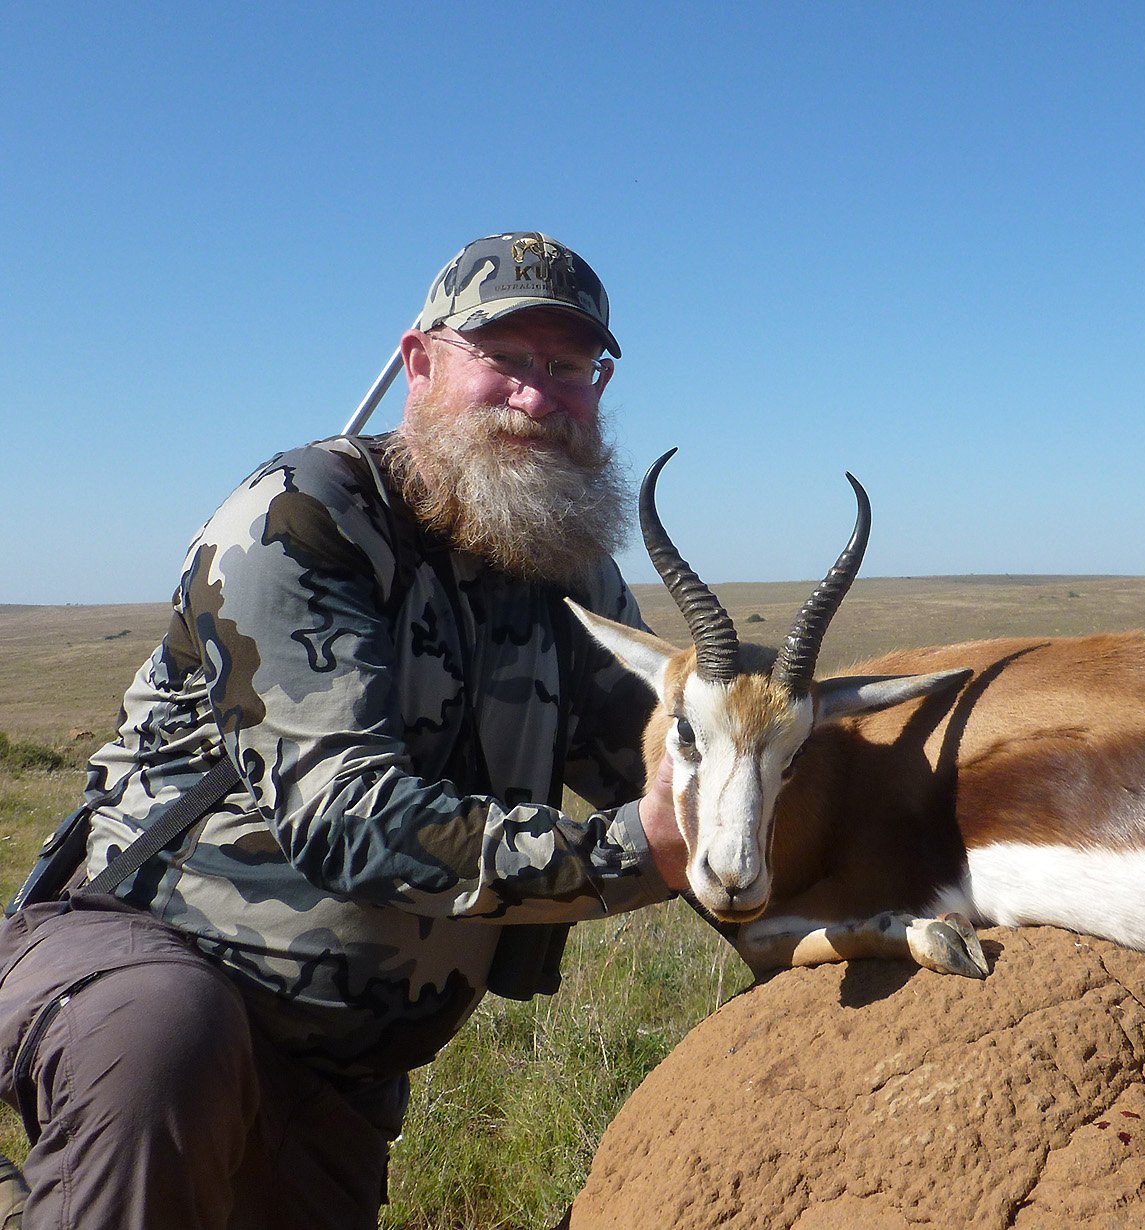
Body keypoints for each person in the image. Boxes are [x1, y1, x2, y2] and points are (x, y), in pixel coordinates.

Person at [0, 233, 689, 1229]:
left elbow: (669, 764)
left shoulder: (563, 572)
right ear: (419, 362)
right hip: (143, 963)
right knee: (169, 1043)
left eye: (568, 368)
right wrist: (642, 852)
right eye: (504, 359)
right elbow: (347, 818)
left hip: (340, 1074)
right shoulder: (299, 519)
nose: (539, 397)